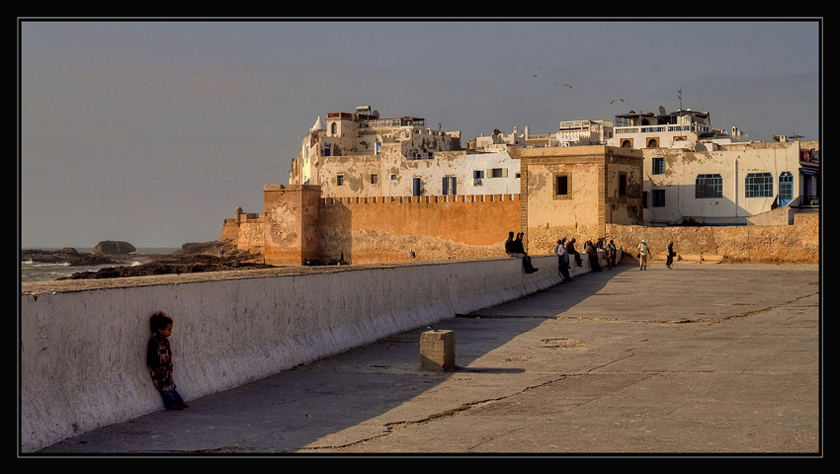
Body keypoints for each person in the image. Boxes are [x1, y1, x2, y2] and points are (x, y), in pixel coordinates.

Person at [147, 311, 189, 410]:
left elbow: (168, 354)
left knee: (170, 385)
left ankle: (178, 400)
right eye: (169, 329)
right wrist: (155, 367)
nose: (170, 332)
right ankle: (171, 403)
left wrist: (170, 364)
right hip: (159, 370)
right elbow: (151, 356)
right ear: (160, 330)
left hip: (166, 369)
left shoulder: (165, 341)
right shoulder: (154, 342)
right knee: (164, 387)